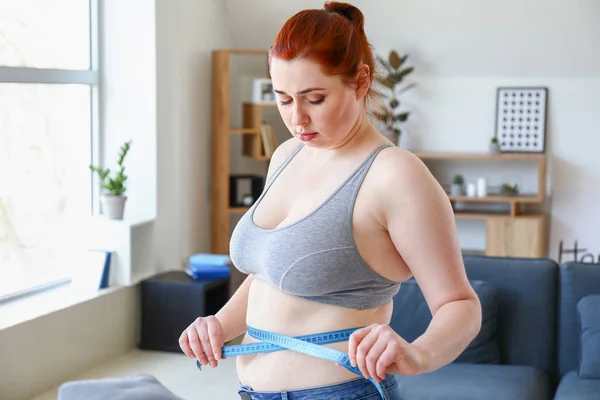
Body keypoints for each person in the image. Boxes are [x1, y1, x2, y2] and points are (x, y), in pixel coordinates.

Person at [179, 2, 482, 399]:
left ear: (360, 81)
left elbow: (459, 303)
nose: (297, 118)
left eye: (314, 99)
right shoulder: (287, 155)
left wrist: (419, 353)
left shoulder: (395, 176)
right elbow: (271, 272)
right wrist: (220, 323)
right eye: (284, 99)